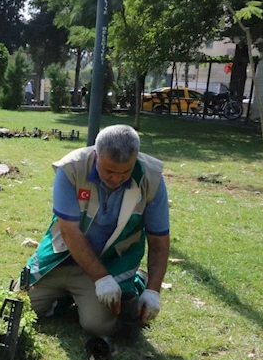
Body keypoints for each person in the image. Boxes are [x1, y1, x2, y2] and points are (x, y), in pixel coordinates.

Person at [23, 125, 170, 337]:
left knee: (99, 326)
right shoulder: (71, 169)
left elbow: (159, 240)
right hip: (62, 257)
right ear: (96, 155)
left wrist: (153, 291)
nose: (116, 179)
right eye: (109, 171)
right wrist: (102, 280)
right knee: (22, 307)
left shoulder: (152, 178)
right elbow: (69, 232)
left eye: (125, 172)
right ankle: (69, 298)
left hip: (112, 262)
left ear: (136, 158)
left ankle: (137, 283)